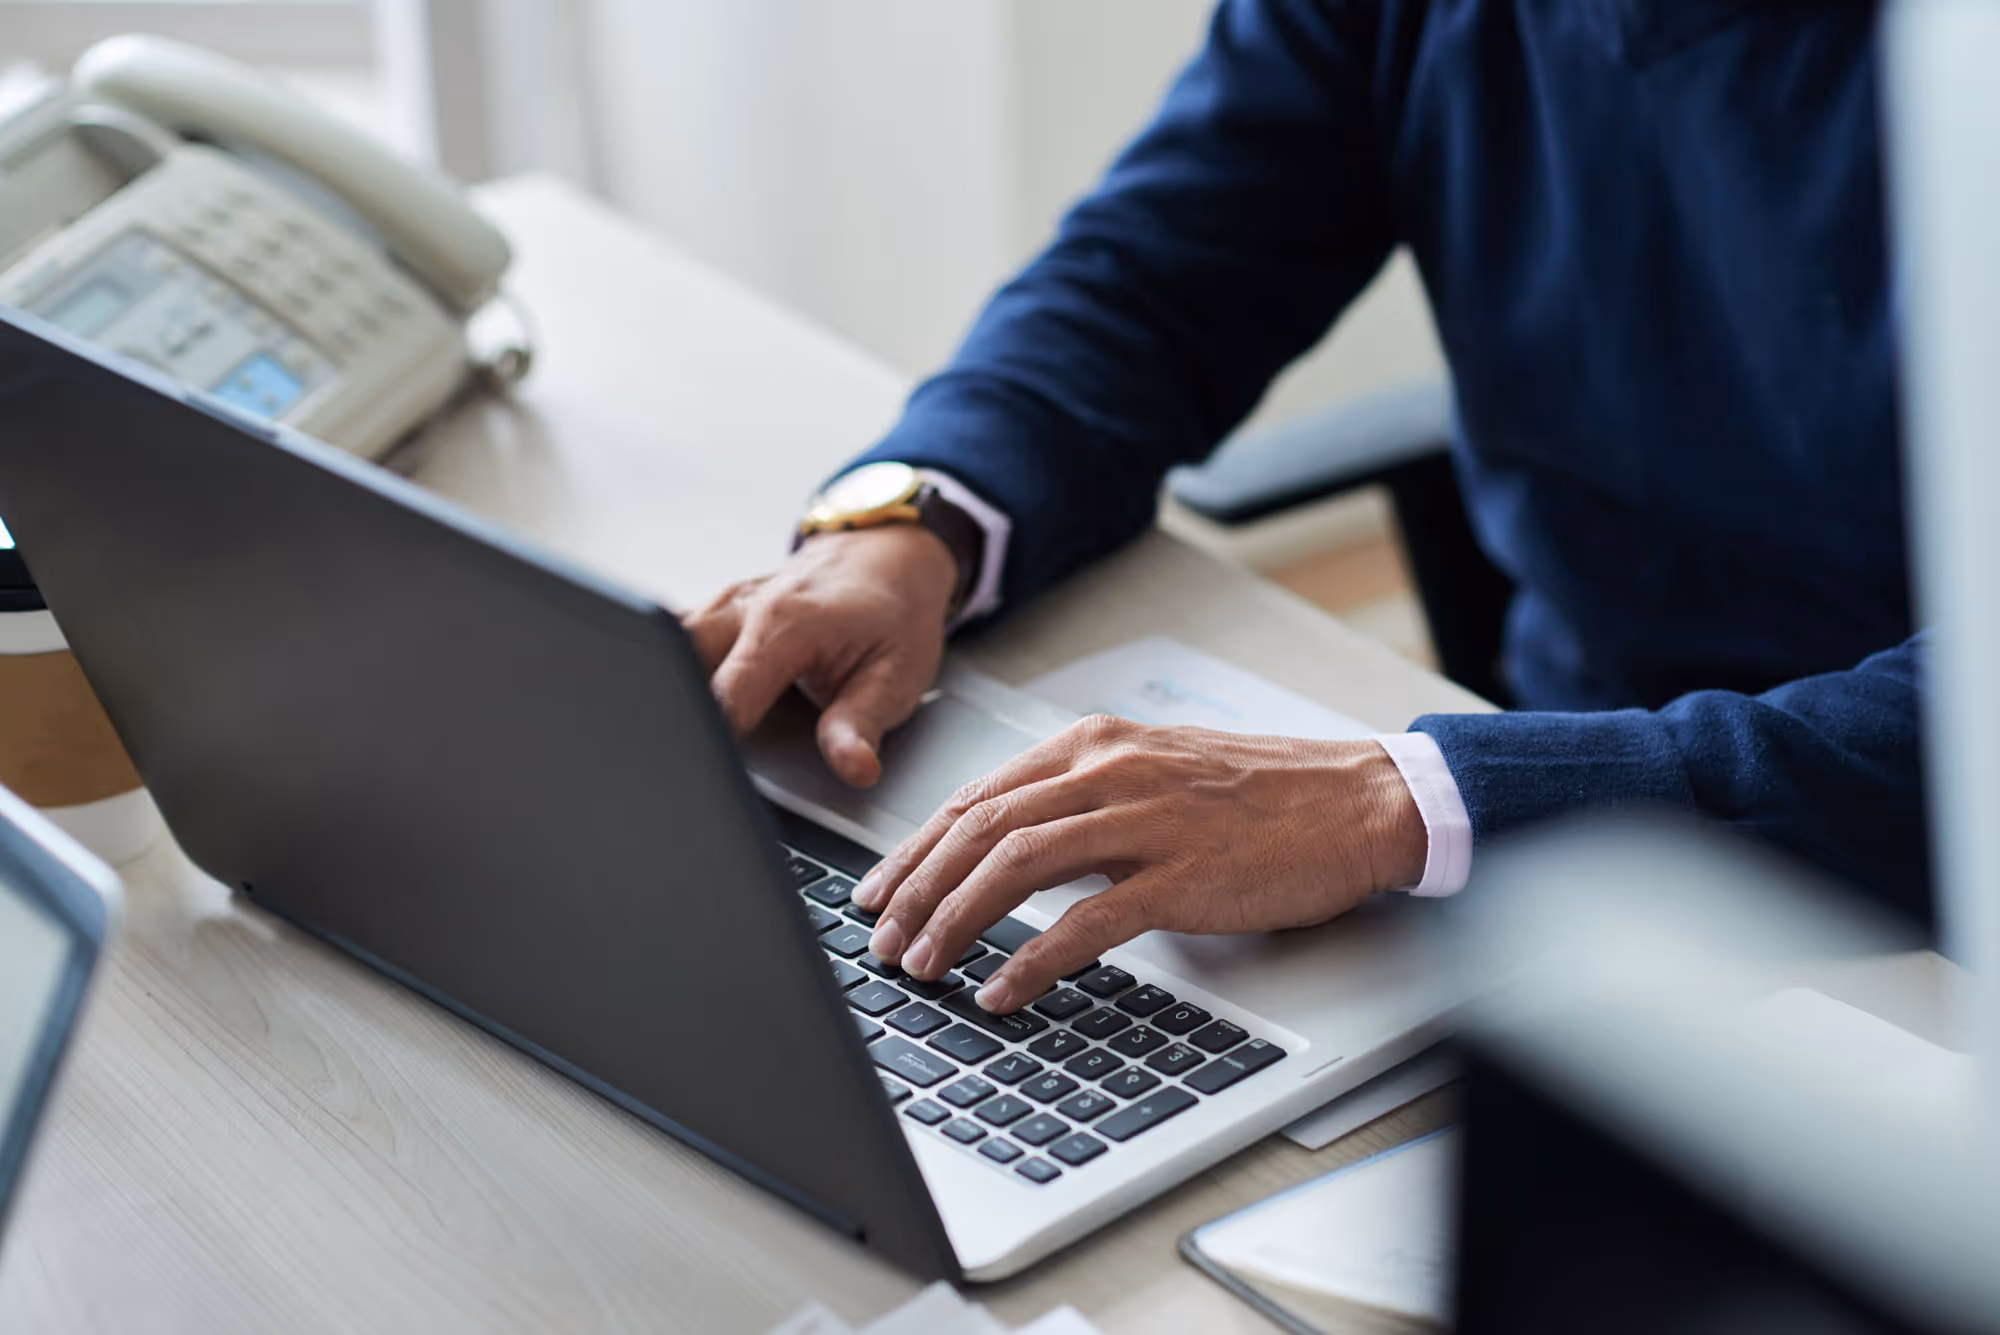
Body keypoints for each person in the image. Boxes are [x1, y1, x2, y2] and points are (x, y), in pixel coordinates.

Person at [686, 0, 1926, 1015]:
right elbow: (1152, 277)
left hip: (1899, 872)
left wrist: (1412, 801)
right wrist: (912, 524)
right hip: (1569, 777)